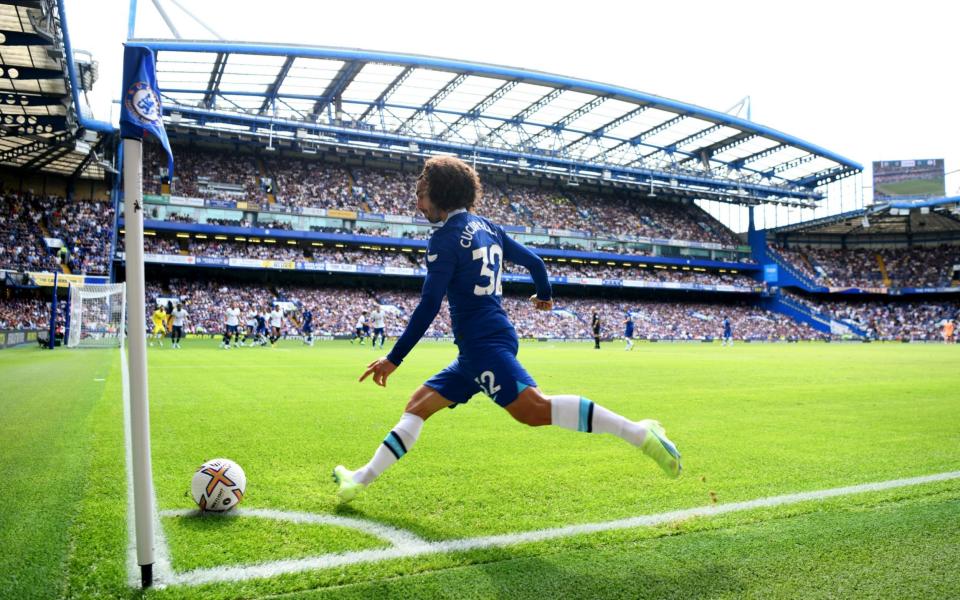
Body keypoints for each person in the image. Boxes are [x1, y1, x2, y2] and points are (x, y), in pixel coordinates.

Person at [333, 156, 680, 503]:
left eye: (422, 194)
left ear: (440, 194)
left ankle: (639, 432)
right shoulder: (488, 227)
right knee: (418, 405)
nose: (418, 203)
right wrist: (544, 295)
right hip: (479, 347)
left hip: (484, 344)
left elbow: (429, 304)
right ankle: (359, 480)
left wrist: (394, 358)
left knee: (534, 410)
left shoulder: (444, 240)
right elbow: (536, 263)